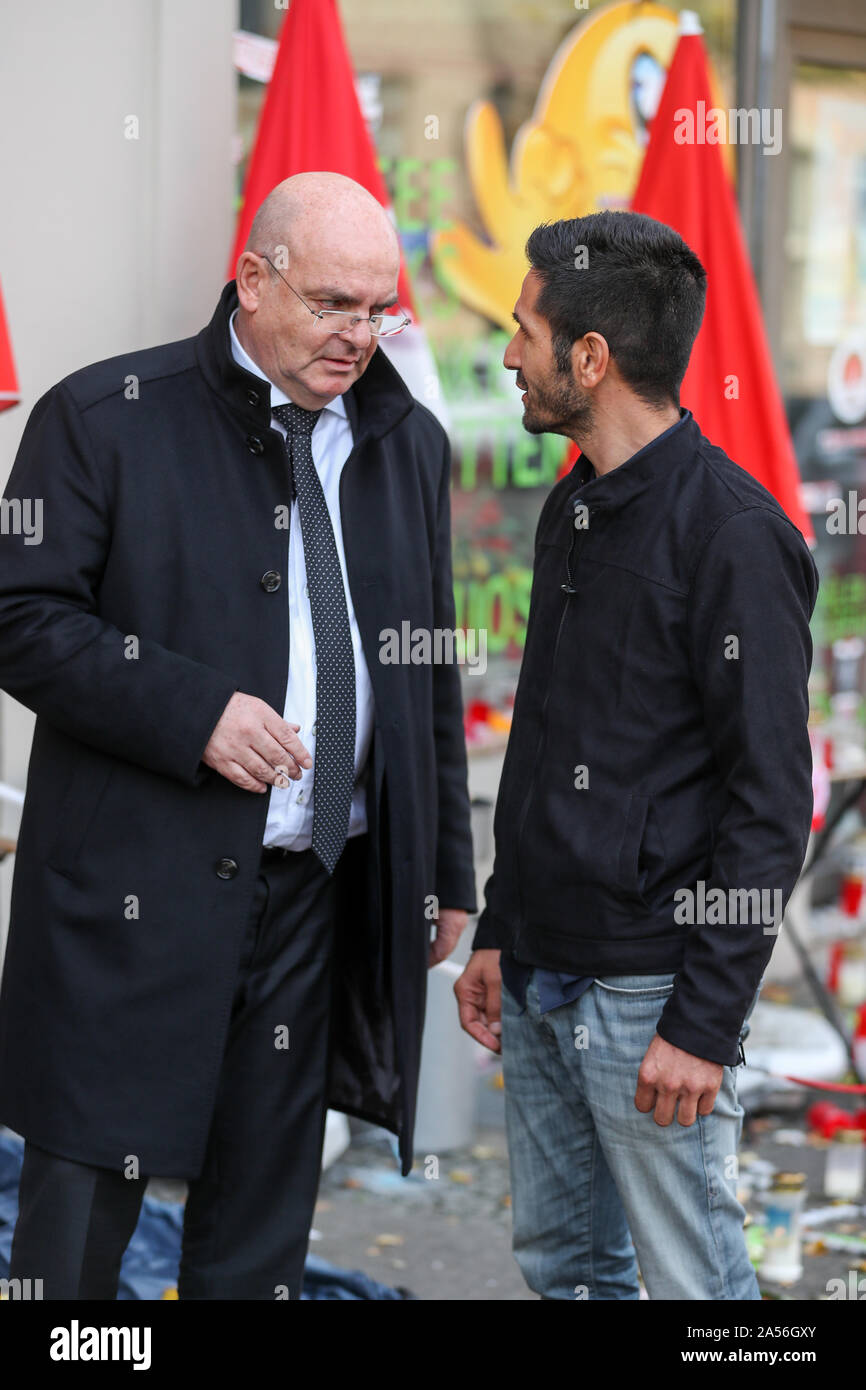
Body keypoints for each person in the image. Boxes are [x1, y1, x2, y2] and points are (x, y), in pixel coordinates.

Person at [0, 171, 476, 1300]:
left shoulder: (405, 443)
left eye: (379, 309)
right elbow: (19, 616)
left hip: (320, 888)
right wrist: (192, 709)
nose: (359, 336)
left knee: (259, 1231)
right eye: (331, 305)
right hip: (132, 891)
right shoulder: (104, 413)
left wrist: (444, 866)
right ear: (251, 281)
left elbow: (424, 675)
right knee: (76, 1233)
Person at [455, 210, 818, 1301]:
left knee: (694, 1283)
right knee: (565, 1270)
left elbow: (767, 806)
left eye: (523, 330)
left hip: (649, 994)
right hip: (540, 976)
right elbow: (547, 744)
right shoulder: (570, 504)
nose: (508, 355)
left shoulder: (734, 537)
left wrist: (700, 1026)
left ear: (589, 356)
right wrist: (499, 929)